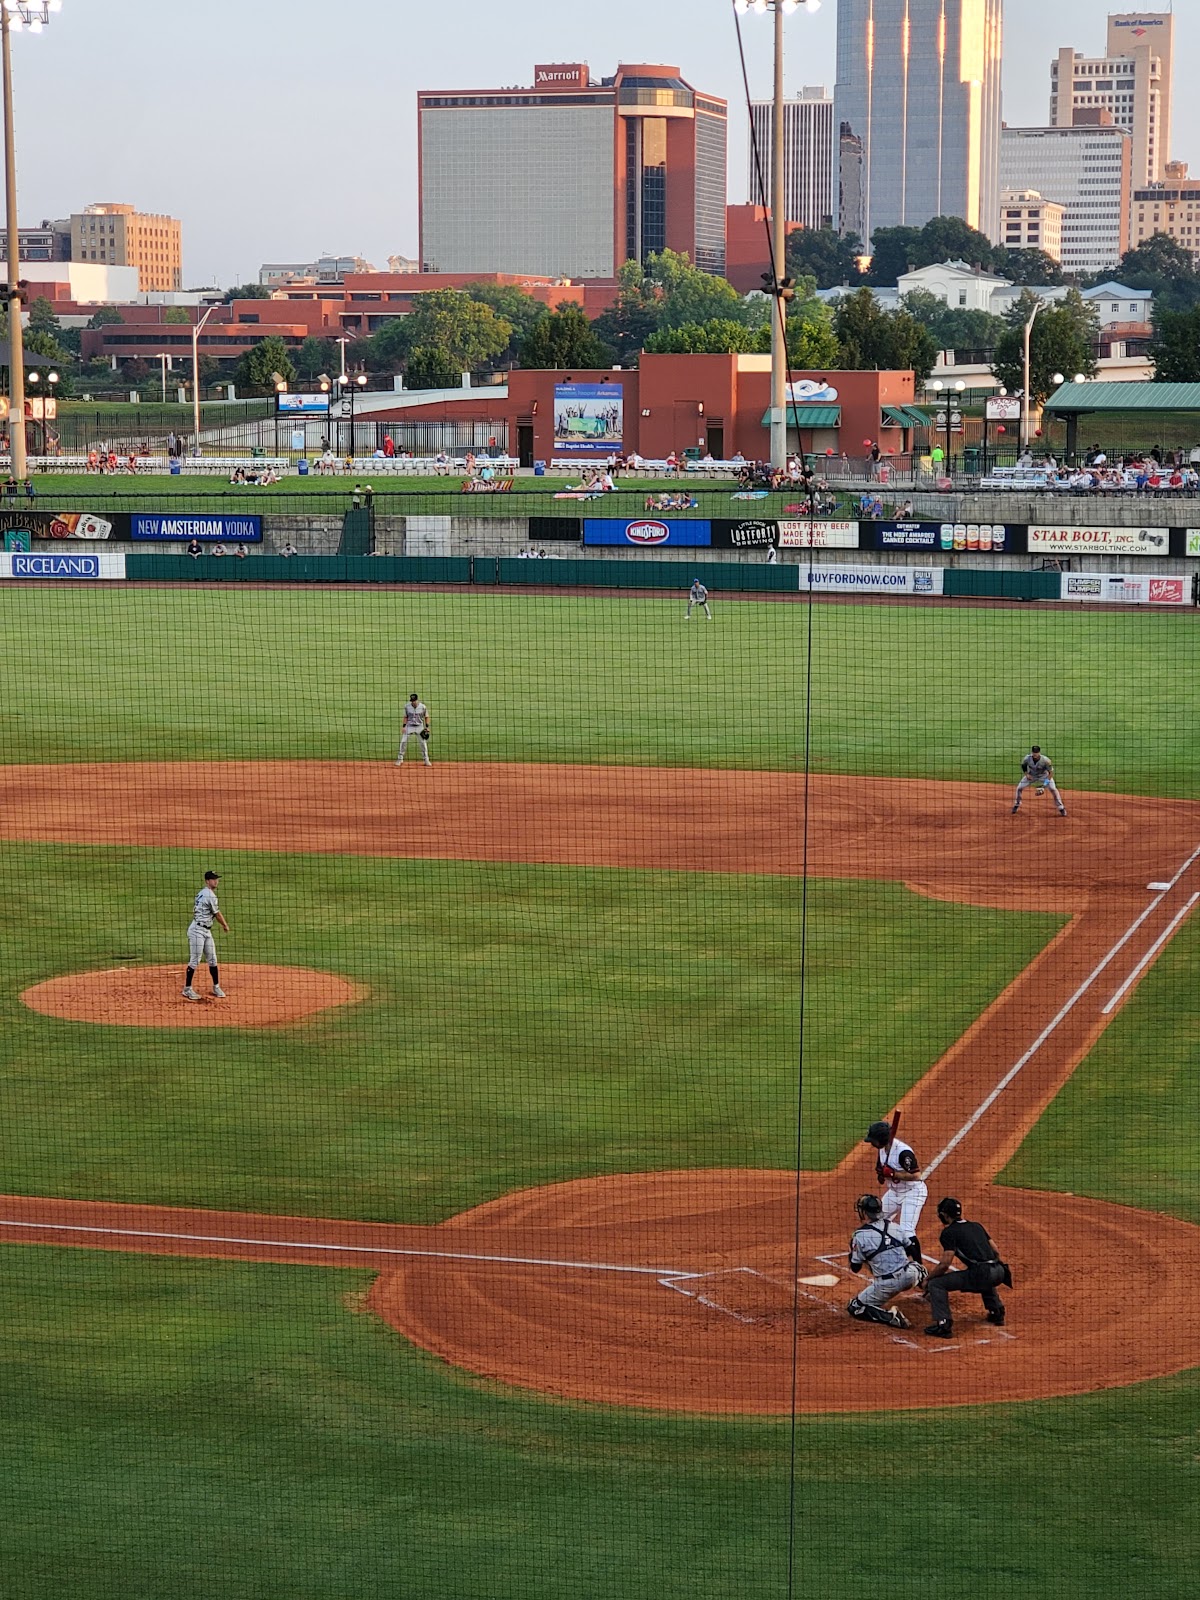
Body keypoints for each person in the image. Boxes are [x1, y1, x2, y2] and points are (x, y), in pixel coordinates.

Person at [923, 1197, 1012, 1338]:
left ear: (944, 1215)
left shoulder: (949, 1232)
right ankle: (997, 1312)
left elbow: (945, 1264)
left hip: (983, 1274)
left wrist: (928, 1279)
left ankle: (943, 1324)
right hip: (1000, 1271)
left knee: (936, 1284)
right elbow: (995, 1251)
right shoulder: (977, 1225)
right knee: (984, 1275)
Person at [845, 1193, 926, 1330]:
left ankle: (891, 1317)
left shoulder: (860, 1236)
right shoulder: (894, 1226)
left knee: (855, 1307)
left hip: (888, 1285)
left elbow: (855, 1268)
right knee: (921, 1270)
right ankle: (929, 1289)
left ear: (864, 1213)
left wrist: (853, 1254)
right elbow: (911, 1248)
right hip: (910, 1276)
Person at [863, 1120, 928, 1260]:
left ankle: (919, 1266)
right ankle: (881, 1250)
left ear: (881, 1140)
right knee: (876, 1220)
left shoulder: (903, 1152)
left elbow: (916, 1175)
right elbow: (881, 1174)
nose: (871, 1143)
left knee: (907, 1231)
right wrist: (881, 1175)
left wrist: (893, 1174)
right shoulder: (882, 1150)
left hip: (913, 1193)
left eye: (873, 1140)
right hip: (894, 1192)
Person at [183, 870, 229, 1001]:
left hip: (206, 930)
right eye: (213, 879)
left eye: (217, 879)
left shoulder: (203, 893)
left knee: (213, 959)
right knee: (195, 960)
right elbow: (217, 913)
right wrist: (225, 925)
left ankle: (216, 986)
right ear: (207, 881)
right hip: (197, 930)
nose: (216, 881)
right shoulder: (209, 895)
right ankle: (187, 989)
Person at [1012, 744, 1066, 817]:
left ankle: (1061, 808)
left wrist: (1044, 786)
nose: (1035, 754)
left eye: (1036, 752)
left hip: (1044, 776)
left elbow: (1050, 773)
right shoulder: (1027, 758)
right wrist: (1027, 774)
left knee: (1053, 789)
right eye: (1034, 752)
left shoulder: (1046, 760)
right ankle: (1017, 804)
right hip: (1032, 775)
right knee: (1019, 788)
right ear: (1032, 752)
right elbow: (1024, 766)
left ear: (1039, 753)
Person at [396, 692, 432, 767]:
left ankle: (426, 760)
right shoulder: (407, 706)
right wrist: (403, 727)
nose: (413, 702)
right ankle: (400, 759)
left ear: (417, 700)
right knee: (403, 741)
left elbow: (426, 717)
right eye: (412, 701)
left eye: (414, 701)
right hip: (409, 726)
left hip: (420, 727)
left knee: (423, 743)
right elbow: (405, 717)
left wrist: (427, 727)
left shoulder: (423, 707)